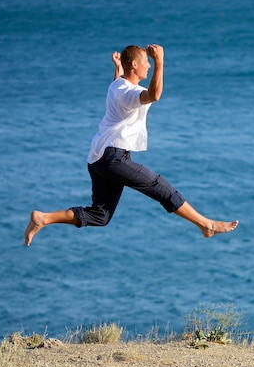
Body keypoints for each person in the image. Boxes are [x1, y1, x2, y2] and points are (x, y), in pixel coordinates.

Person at [24, 44, 238, 246]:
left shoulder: (117, 85)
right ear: (134, 65)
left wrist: (118, 68)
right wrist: (161, 62)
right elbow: (154, 94)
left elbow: (121, 81)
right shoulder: (129, 93)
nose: (149, 64)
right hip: (113, 158)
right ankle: (206, 225)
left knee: (101, 216)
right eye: (146, 61)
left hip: (97, 159)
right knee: (161, 187)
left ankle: (44, 218)